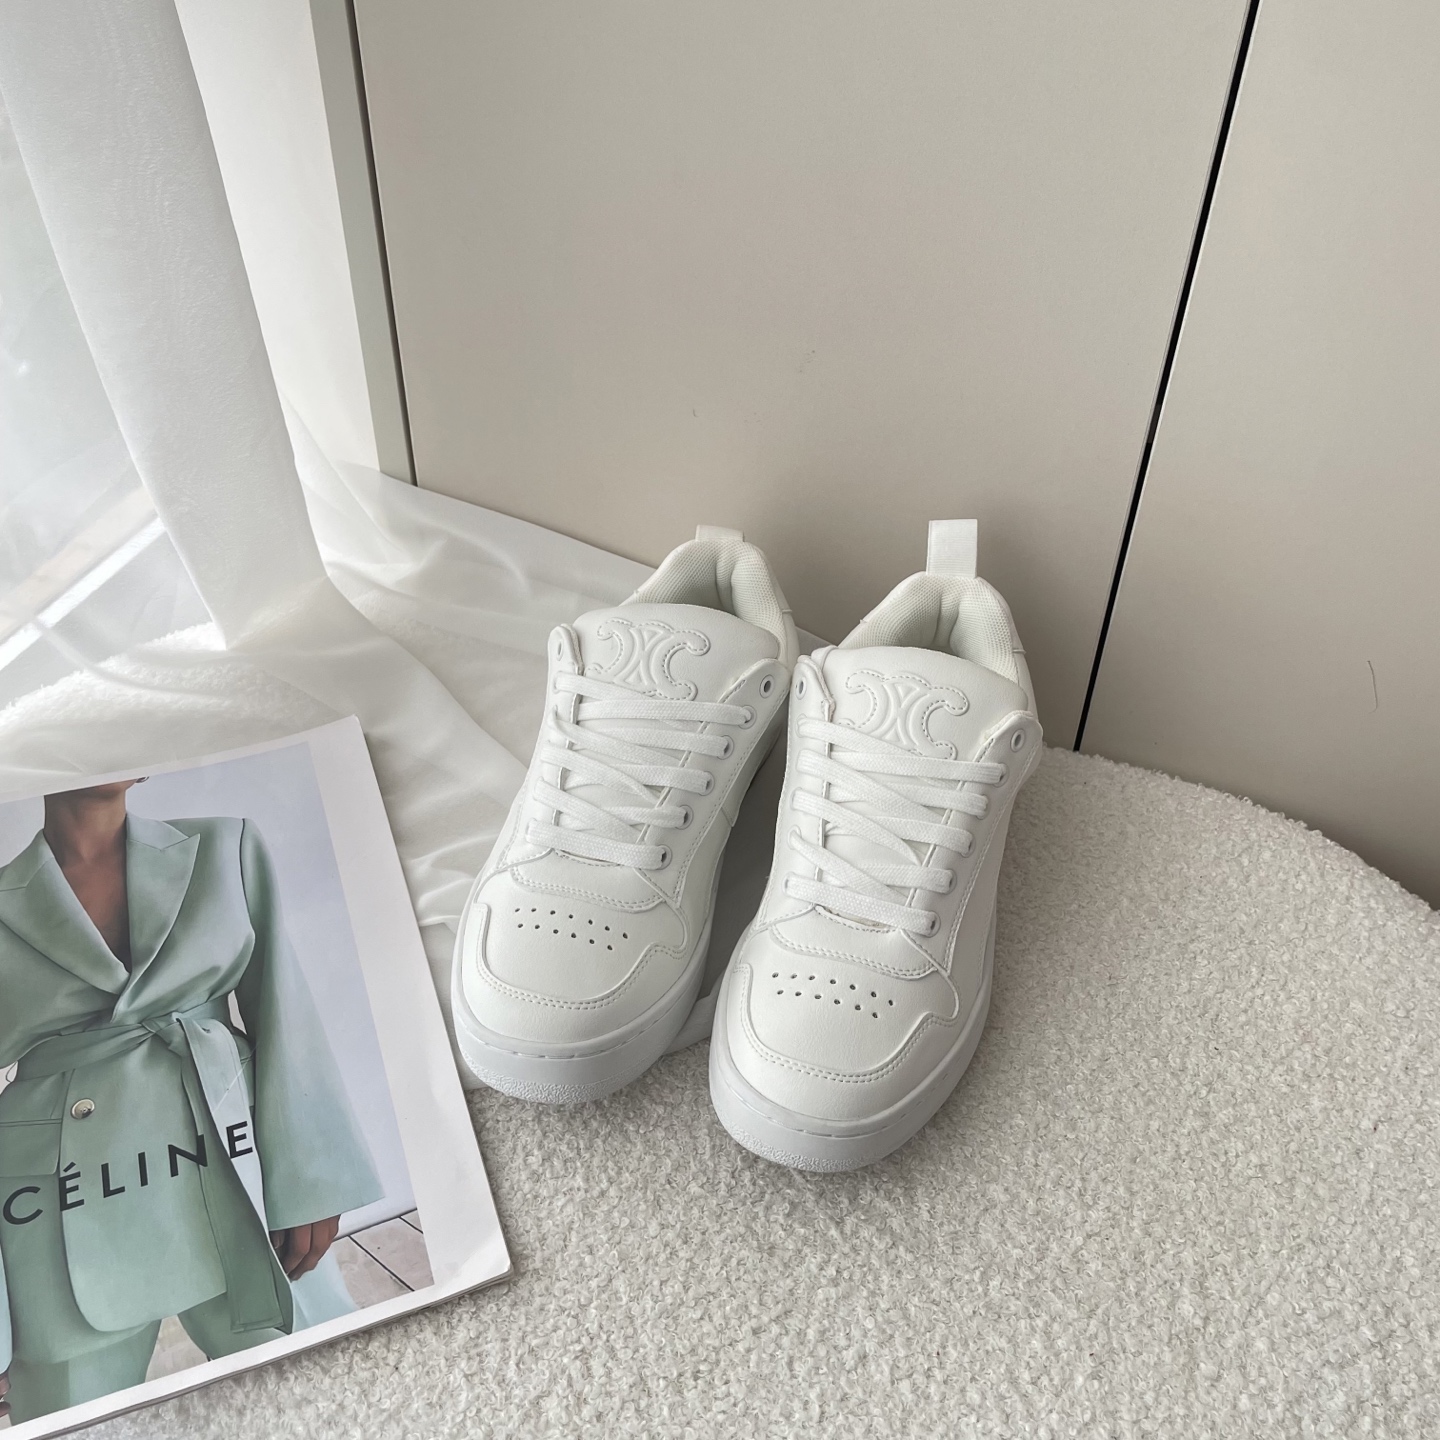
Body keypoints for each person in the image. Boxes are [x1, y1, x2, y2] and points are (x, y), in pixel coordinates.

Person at [0, 780, 381, 1424]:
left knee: (332, 1401)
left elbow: (282, 1005)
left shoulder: (224, 846)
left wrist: (311, 1178)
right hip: (55, 1204)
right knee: (68, 1420)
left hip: (236, 1160)